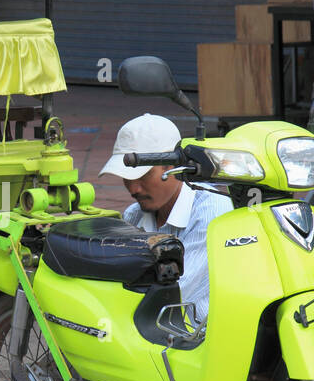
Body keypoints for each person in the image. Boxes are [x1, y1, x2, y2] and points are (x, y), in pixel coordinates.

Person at [100, 113, 233, 328]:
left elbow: (172, 296)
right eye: (127, 178)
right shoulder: (133, 214)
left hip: (199, 341)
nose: (133, 189)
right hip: (150, 334)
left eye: (142, 177)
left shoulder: (212, 212)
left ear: (172, 167)